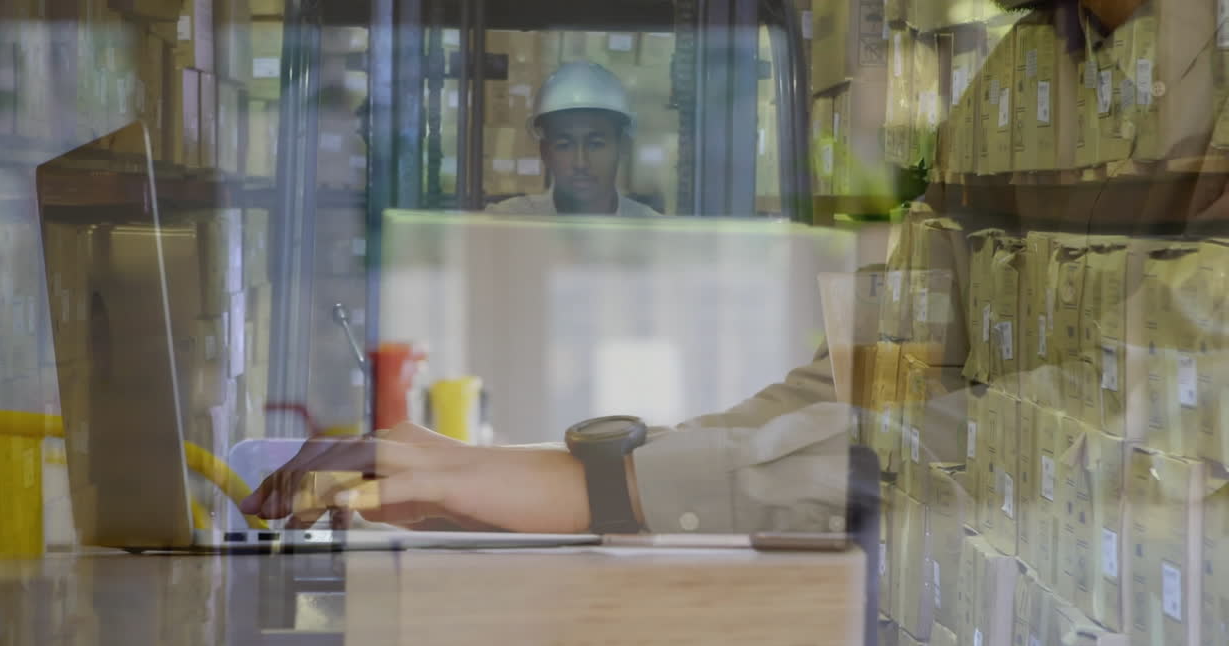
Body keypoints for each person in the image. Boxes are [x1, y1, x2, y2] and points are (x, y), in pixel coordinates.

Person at [242, 0, 1223, 536]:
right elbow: (882, 372)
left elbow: (1114, 437)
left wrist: (609, 491)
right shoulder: (1018, 78)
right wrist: (541, 474)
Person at [487, 61, 661, 217]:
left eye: (595, 144)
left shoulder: (651, 231)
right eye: (564, 145)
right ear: (545, 152)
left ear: (623, 146)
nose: (580, 163)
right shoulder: (510, 222)